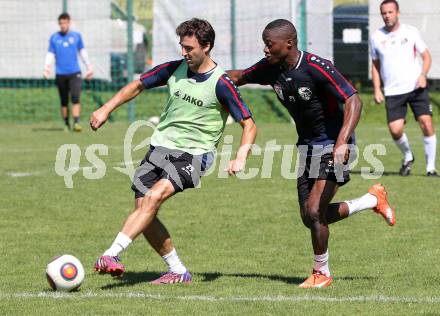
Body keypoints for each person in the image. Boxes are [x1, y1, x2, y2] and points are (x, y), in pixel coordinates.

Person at [227, 19, 395, 288]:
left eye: (269, 45)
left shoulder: (317, 67)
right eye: (264, 44)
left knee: (315, 211)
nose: (265, 50)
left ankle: (322, 274)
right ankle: (371, 200)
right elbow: (238, 77)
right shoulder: (270, 68)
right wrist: (208, 77)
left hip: (334, 144)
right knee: (310, 216)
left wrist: (341, 141)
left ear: (289, 43)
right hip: (307, 146)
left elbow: (353, 99)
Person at [90, 18, 257, 284]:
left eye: (189, 48)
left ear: (207, 46)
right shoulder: (173, 69)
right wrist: (106, 108)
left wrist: (240, 156)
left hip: (194, 154)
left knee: (153, 198)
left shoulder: (221, 83)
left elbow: (249, 125)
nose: (184, 53)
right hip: (160, 146)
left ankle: (111, 254)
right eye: (182, 46)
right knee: (143, 211)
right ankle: (178, 270)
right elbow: (137, 85)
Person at [370, 0, 438, 177]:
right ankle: (408, 156)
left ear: (397, 13)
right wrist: (377, 89)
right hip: (393, 91)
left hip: (416, 87)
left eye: (390, 12)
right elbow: (375, 65)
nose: (387, 16)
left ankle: (431, 168)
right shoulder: (376, 37)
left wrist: (423, 74)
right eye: (384, 13)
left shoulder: (411, 32)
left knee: (426, 123)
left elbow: (427, 56)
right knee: (395, 129)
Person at [43, 13, 93, 132]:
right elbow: (51, 53)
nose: (63, 25)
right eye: (61, 23)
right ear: (59, 24)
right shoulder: (54, 38)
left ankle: (76, 122)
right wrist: (46, 67)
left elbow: (82, 51)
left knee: (75, 97)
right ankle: (66, 123)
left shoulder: (76, 36)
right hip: (60, 73)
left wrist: (89, 67)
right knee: (64, 100)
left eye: (65, 23)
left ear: (69, 23)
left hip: (75, 72)